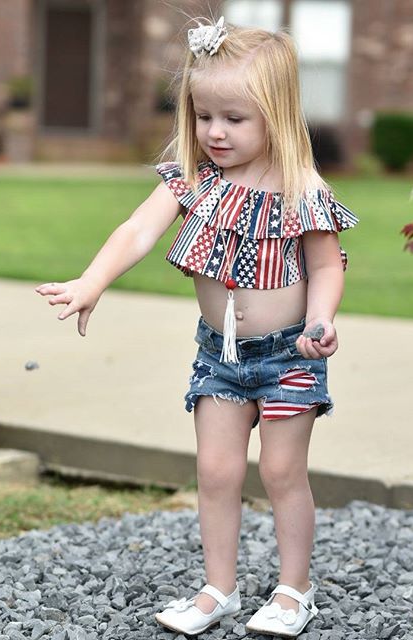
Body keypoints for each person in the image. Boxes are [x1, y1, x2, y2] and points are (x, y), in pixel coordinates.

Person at [35, 16, 358, 639]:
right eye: (204, 114)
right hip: (220, 357)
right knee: (216, 472)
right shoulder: (193, 177)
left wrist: (322, 319)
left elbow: (324, 264)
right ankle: (220, 589)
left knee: (283, 473)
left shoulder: (299, 187)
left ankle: (295, 591)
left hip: (288, 352)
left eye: (234, 119)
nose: (215, 131)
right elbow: (137, 230)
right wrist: (91, 282)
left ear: (277, 114)